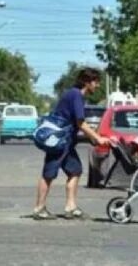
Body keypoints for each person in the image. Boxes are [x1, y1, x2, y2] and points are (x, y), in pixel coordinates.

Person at [33, 67, 111, 220]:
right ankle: (39, 208)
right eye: (96, 82)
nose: (98, 85)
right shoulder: (76, 95)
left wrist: (94, 136)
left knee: (75, 170)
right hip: (59, 141)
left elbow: (78, 123)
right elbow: (81, 123)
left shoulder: (75, 95)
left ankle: (71, 206)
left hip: (66, 142)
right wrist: (98, 138)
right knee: (49, 174)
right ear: (87, 82)